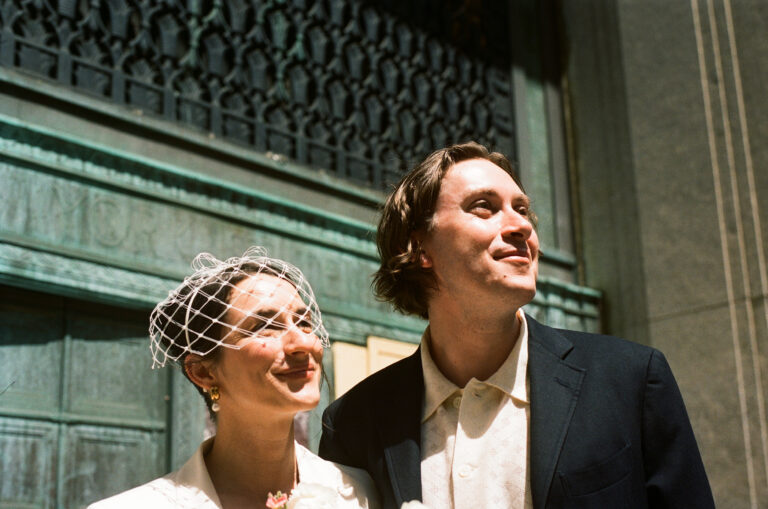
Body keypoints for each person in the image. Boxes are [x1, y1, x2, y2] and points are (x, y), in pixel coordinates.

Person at [319, 142, 715, 509]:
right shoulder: (354, 423)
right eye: (484, 207)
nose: (521, 226)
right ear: (419, 247)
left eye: (522, 210)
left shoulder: (630, 380)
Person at [89, 247, 379, 509]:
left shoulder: (359, 494)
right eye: (266, 326)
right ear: (203, 372)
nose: (303, 342)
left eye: (304, 322)